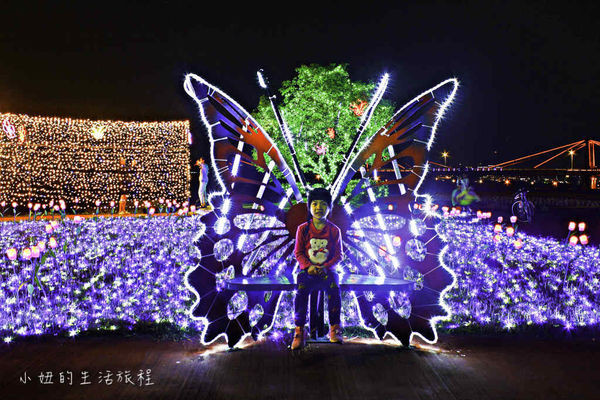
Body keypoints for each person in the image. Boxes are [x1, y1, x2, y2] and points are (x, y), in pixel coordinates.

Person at [291, 187, 344, 350]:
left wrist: (326, 267)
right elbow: (298, 252)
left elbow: (339, 255)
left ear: (329, 207)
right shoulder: (303, 229)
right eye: (314, 204)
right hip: (307, 271)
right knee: (301, 291)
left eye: (323, 204)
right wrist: (308, 266)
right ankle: (299, 330)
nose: (318, 207)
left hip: (328, 271)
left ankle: (334, 327)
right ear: (309, 207)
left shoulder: (334, 230)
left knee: (334, 290)